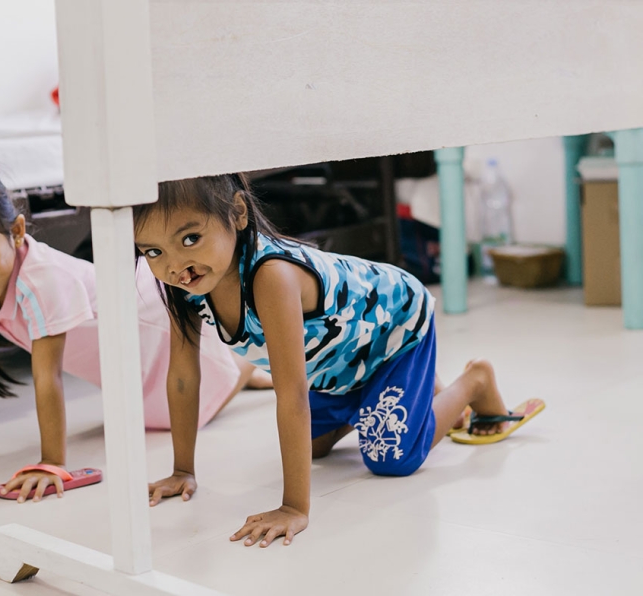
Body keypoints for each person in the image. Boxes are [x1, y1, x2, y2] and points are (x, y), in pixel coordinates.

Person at [132, 174, 544, 548]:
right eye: (153, 251)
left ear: (238, 213)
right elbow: (184, 376)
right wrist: (182, 469)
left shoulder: (271, 276)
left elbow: (291, 391)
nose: (174, 265)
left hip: (395, 331)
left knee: (390, 455)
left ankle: (473, 381)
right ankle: (396, 399)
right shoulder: (183, 286)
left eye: (189, 239)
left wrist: (294, 507)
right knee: (311, 447)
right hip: (340, 368)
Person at [0, 158, 271, 502]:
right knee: (149, 418)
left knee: (187, 406)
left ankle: (245, 366)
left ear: (17, 231)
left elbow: (47, 376)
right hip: (131, 362)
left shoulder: (40, 280)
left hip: (155, 335)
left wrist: (50, 463)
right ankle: (241, 366)